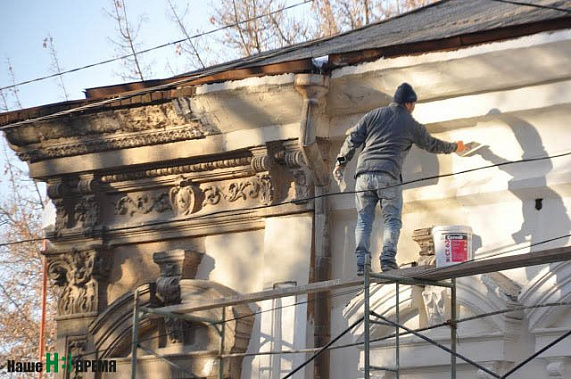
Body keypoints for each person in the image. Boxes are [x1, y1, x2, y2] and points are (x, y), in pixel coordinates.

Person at [333, 83, 466, 275]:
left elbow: (352, 139)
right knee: (392, 220)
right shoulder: (410, 124)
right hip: (388, 175)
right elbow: (432, 144)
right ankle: (387, 260)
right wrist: (456, 147)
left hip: (363, 176)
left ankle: (362, 264)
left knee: (363, 220)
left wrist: (340, 162)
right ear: (409, 104)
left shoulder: (373, 115)